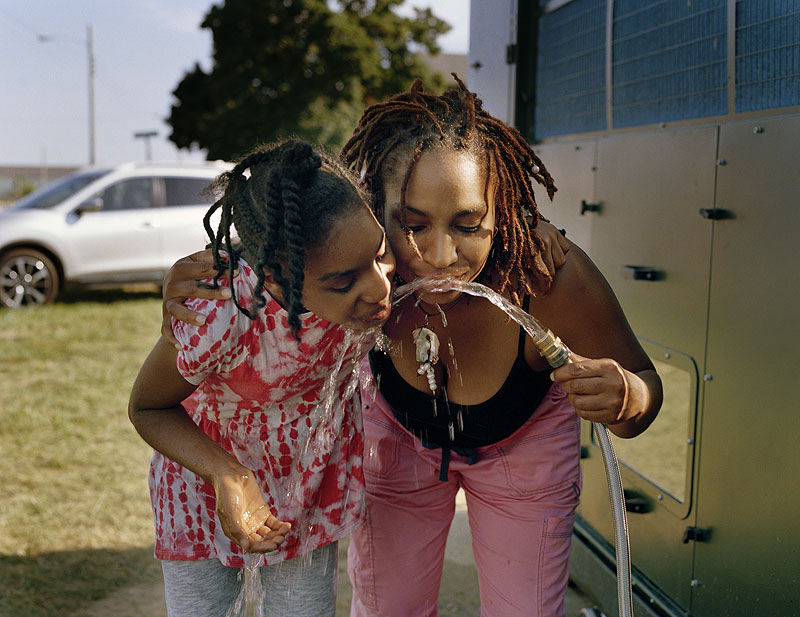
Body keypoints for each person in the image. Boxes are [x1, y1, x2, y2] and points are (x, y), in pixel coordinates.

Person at [160, 77, 662, 617]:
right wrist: (187, 289)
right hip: (396, 440)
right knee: (387, 607)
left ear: (504, 214)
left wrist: (628, 396)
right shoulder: (363, 269)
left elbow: (640, 403)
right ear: (373, 208)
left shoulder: (543, 276)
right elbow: (281, 258)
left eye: (469, 224)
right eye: (413, 224)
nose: (441, 255)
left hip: (526, 451)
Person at [128, 139, 396, 617]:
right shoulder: (222, 312)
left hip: (302, 496)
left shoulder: (366, 280)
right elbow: (147, 406)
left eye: (381, 256)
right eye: (343, 281)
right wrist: (228, 474)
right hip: (202, 496)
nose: (379, 288)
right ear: (274, 275)